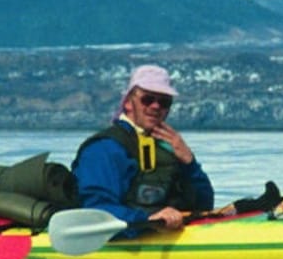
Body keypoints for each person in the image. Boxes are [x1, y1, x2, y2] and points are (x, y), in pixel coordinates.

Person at [71, 64, 216, 231]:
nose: (155, 106)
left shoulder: (169, 147)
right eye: (147, 99)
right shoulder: (103, 149)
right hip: (121, 241)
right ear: (128, 103)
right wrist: (148, 219)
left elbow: (204, 205)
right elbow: (95, 209)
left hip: (156, 233)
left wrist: (190, 163)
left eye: (164, 102)